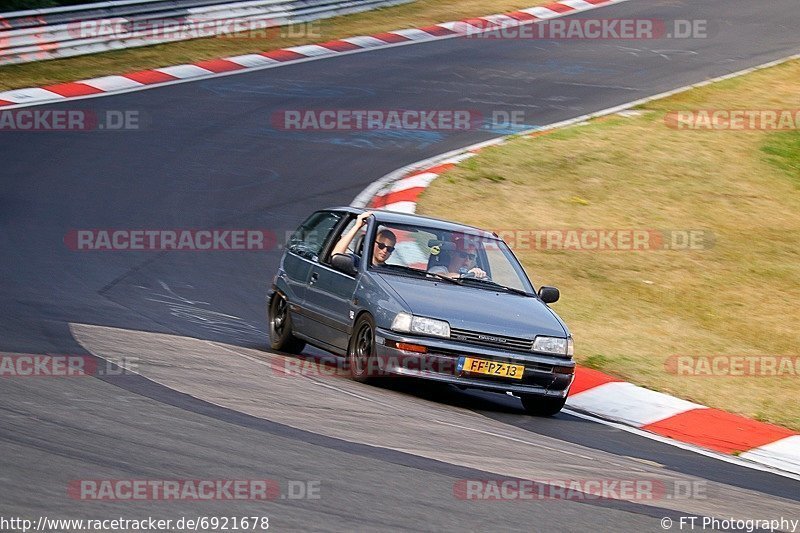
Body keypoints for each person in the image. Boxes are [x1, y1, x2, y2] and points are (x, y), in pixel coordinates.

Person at [331, 211, 396, 266]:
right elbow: (336, 254)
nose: (385, 250)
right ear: (372, 243)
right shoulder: (358, 262)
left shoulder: (392, 272)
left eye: (389, 249)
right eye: (381, 246)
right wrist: (357, 226)